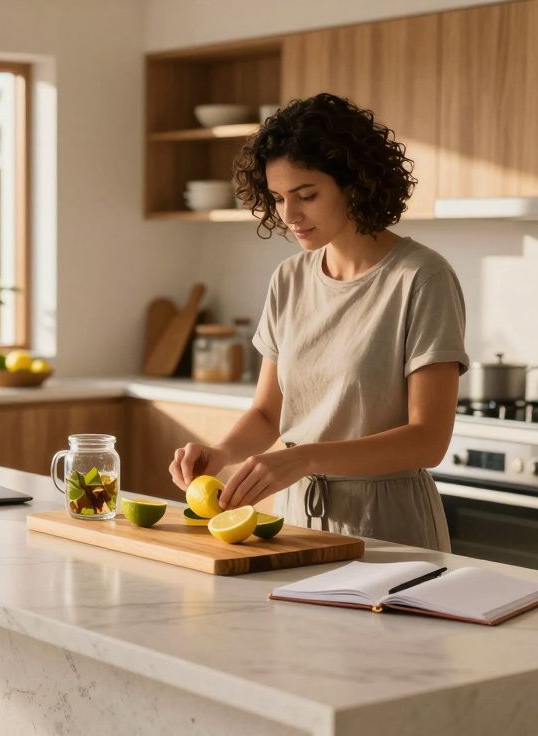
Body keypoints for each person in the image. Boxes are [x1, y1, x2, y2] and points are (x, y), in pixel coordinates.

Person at [167, 93, 468, 551]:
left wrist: (304, 458)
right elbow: (268, 413)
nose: (289, 216)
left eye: (306, 195)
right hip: (294, 521)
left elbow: (428, 440)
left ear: (355, 183)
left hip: (388, 526)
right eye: (278, 198)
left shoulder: (421, 277)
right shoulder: (289, 278)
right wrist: (222, 452)